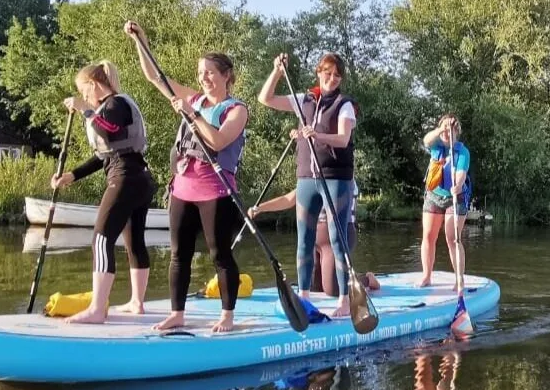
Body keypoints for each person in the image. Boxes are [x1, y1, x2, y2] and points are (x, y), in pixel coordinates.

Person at [123, 21, 248, 333]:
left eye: (209, 72)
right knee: (179, 255)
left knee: (221, 255)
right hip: (183, 189)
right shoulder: (194, 98)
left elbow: (218, 141)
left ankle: (227, 315)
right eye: (200, 72)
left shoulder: (236, 110)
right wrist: (141, 40)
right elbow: (154, 76)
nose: (203, 78)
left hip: (216, 192)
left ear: (226, 76)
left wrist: (192, 114)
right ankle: (177, 313)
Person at [50, 61, 154, 324]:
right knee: (134, 241)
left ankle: (97, 309)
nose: (84, 98)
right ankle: (136, 302)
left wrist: (85, 110)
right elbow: (104, 155)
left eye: (85, 92)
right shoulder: (110, 108)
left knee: (101, 238)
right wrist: (71, 176)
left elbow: (110, 133)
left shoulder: (114, 105)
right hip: (138, 177)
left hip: (126, 178)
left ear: (95, 85)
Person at [258, 53, 359, 318]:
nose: (332, 79)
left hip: (336, 179)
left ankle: (345, 300)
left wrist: (316, 135)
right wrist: (277, 72)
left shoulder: (344, 105)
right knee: (304, 240)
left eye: (337, 75)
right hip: (306, 179)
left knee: (338, 240)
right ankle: (303, 297)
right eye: (328, 73)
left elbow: (343, 139)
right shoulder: (304, 99)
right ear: (319, 72)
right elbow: (265, 98)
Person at [248, 187, 379, 297]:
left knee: (332, 290)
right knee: (315, 288)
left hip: (336, 237)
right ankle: (343, 275)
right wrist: (259, 208)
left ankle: (367, 280)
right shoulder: (312, 177)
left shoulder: (342, 175)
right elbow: (290, 199)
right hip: (315, 238)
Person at [419, 114, 470, 291]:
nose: (446, 134)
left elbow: (461, 174)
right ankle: (426, 276)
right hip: (433, 195)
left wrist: (457, 185)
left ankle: (459, 280)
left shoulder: (462, 152)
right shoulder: (436, 146)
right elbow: (426, 140)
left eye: (450, 131)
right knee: (428, 236)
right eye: (444, 130)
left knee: (453, 239)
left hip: (455, 199)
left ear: (457, 133)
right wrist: (442, 128)